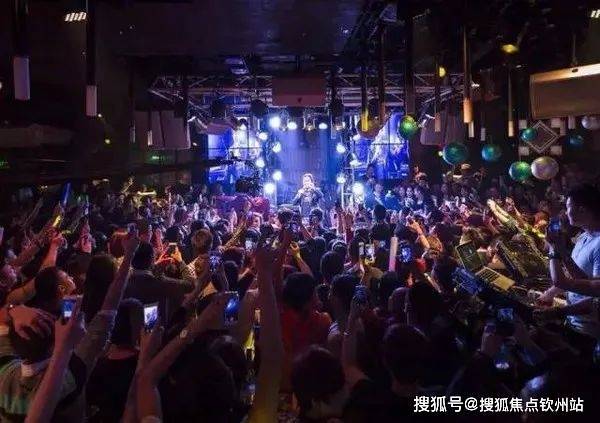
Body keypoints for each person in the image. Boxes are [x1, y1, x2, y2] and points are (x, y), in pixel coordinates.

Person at [536, 184, 600, 356]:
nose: (565, 212)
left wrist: (554, 250)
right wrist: (549, 293)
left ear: (582, 209)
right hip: (574, 322)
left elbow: (595, 296)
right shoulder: (584, 236)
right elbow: (582, 279)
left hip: (588, 331)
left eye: (568, 207)